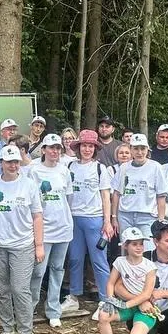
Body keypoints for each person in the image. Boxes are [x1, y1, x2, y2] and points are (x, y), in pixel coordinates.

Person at [0, 145, 44, 334]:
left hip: (22, 245)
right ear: (1, 163)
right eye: (9, 162)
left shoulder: (28, 185)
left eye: (16, 162)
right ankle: (8, 330)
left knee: (20, 289)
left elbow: (37, 216)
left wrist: (39, 245)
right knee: (2, 289)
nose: (13, 165)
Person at [90, 227, 159, 334]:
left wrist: (127, 304)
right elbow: (110, 282)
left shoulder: (149, 266)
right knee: (103, 315)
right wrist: (109, 299)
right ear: (126, 246)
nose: (139, 247)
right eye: (134, 244)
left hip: (142, 308)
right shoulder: (120, 261)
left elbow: (146, 294)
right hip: (126, 304)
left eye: (141, 243)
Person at [28, 134, 74, 328]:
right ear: (44, 149)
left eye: (58, 148)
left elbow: (68, 199)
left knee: (57, 269)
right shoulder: (33, 170)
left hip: (63, 227)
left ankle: (53, 310)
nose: (55, 151)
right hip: (43, 229)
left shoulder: (64, 170)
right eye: (51, 148)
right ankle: (29, 308)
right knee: (38, 271)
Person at [67, 129, 113, 306]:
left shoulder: (100, 168)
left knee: (99, 260)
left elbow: (105, 196)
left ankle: (106, 298)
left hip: (94, 219)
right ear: (79, 147)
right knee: (75, 258)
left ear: (95, 148)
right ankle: (74, 295)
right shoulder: (70, 166)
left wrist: (107, 222)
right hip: (74, 218)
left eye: (90, 146)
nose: (87, 149)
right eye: (84, 146)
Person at [112, 134, 167, 254]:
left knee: (148, 251)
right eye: (136, 148)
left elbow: (161, 195)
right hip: (125, 215)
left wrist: (161, 220)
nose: (139, 152)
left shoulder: (155, 167)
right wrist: (114, 217)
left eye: (142, 148)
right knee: (126, 251)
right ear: (131, 149)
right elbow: (116, 193)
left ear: (147, 149)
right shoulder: (124, 168)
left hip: (147, 216)